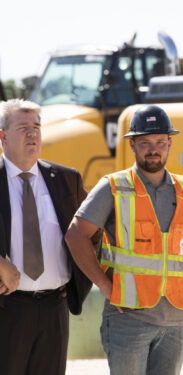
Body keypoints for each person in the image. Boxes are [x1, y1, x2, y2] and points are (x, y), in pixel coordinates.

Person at [65, 104, 183, 375]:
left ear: (170, 143)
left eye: (160, 142)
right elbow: (76, 236)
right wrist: (103, 284)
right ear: (132, 145)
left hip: (175, 318)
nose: (153, 149)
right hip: (127, 317)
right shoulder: (114, 186)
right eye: (145, 142)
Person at [0, 98, 92, 375]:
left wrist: (81, 280)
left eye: (37, 126)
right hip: (7, 309)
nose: (32, 133)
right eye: (23, 127)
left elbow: (92, 234)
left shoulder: (66, 179)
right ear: (2, 136)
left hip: (55, 308)